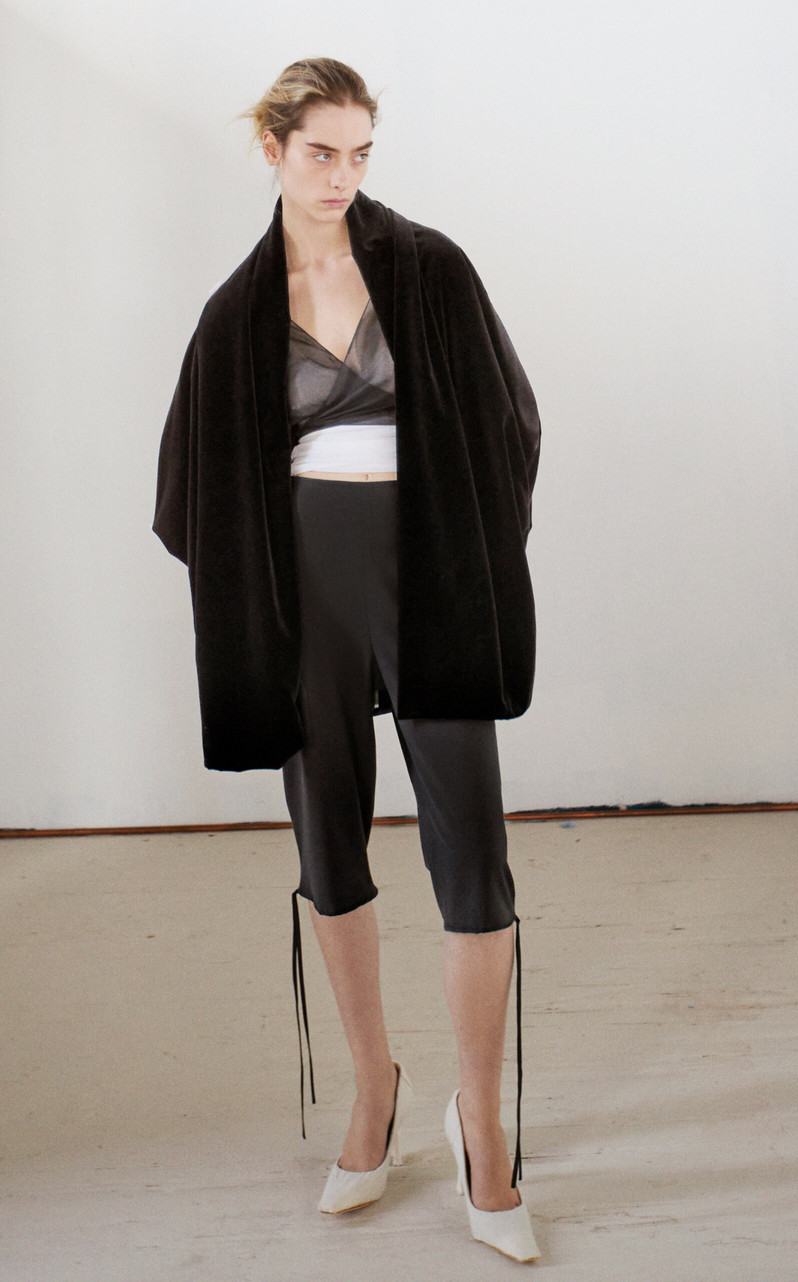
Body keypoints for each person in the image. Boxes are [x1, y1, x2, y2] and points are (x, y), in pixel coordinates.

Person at [154, 58, 541, 1263]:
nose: (342, 174)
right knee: (327, 837)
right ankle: (373, 1089)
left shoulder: (427, 269)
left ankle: (481, 1124)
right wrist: (264, 587)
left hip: (428, 574)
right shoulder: (234, 315)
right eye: (320, 151)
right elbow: (189, 493)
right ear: (272, 147)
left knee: (469, 849)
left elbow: (510, 425)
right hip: (304, 590)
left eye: (360, 152)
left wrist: (470, 556)